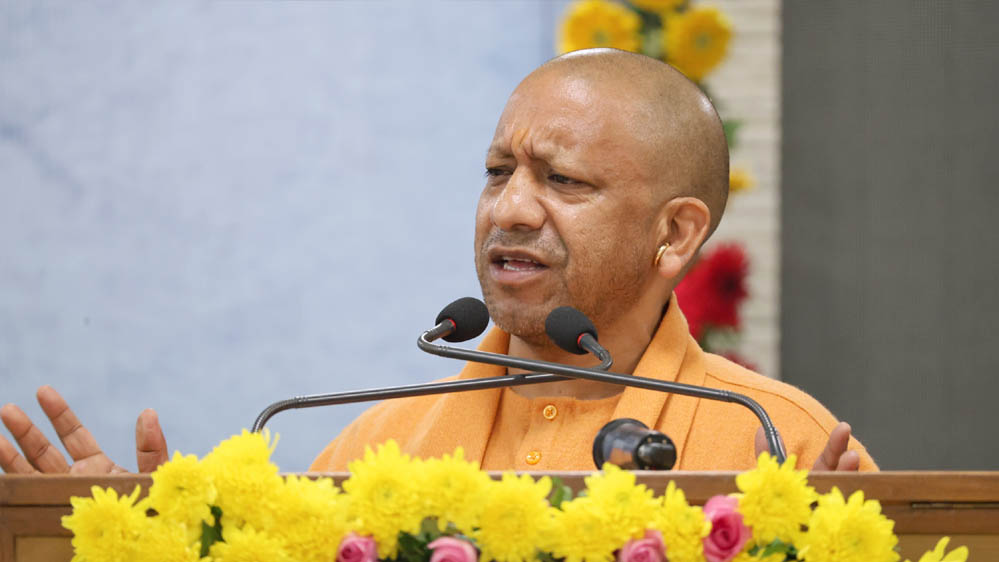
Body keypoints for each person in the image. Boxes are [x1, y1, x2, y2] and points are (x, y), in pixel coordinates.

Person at [0, 49, 875, 476]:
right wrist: (151, 545)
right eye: (497, 172)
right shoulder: (380, 446)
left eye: (561, 179)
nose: (509, 208)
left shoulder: (777, 445)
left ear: (675, 235)